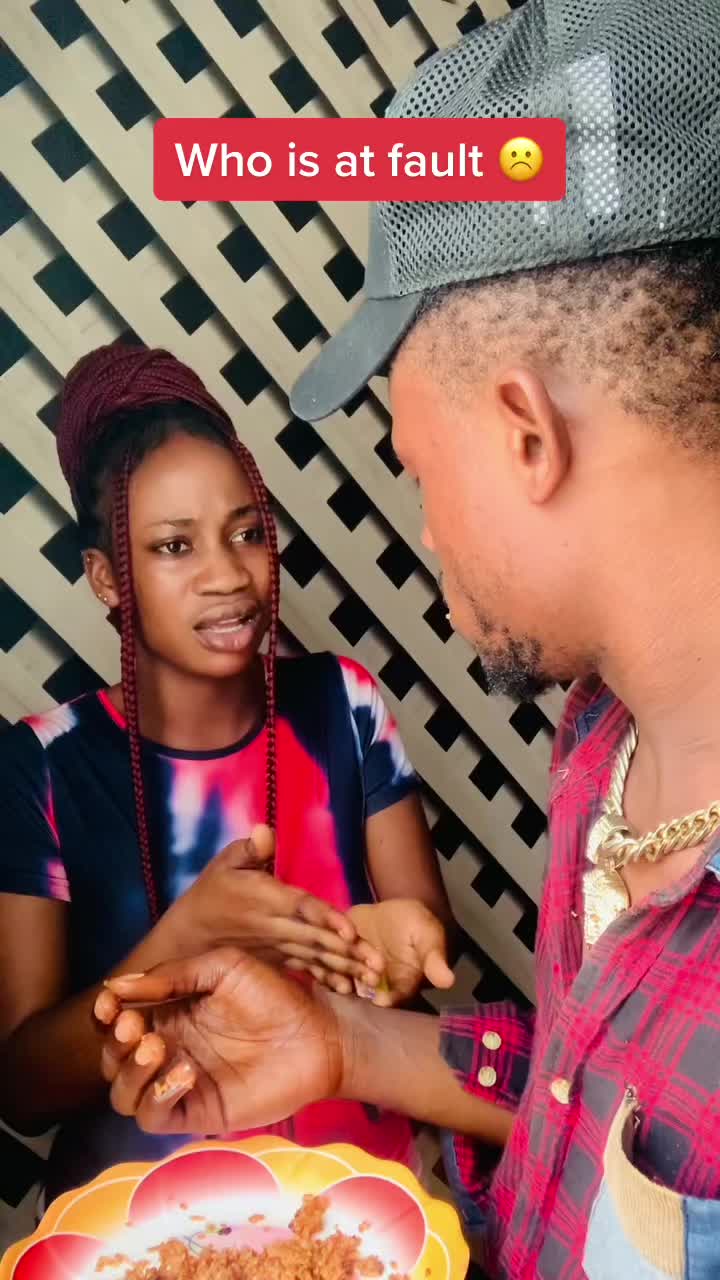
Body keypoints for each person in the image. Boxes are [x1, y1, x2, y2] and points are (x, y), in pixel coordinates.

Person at [95, 0, 720, 1276]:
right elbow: (587, 1102)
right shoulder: (603, 741)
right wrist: (342, 1043)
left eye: (419, 471)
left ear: (525, 434)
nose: (428, 531)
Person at [0, 343, 456, 1204]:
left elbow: (422, 929)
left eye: (247, 532)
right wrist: (182, 943)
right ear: (108, 578)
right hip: (154, 1228)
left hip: (364, 1201)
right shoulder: (44, 766)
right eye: (174, 546)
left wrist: (396, 950)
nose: (227, 574)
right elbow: (22, 1088)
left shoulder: (342, 702)